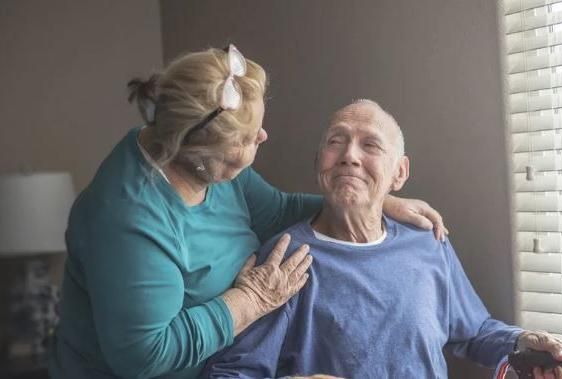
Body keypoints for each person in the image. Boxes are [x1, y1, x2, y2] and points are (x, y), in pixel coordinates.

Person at [48, 46, 447, 379]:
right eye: (246, 137)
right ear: (197, 151)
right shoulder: (126, 219)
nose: (263, 136)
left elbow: (279, 210)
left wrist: (374, 201)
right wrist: (250, 301)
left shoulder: (211, 167)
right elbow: (145, 354)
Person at [207, 100, 562, 379]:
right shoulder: (284, 260)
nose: (349, 156)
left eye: (370, 145)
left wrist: (524, 342)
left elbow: (474, 330)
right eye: (335, 142)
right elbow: (230, 373)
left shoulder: (429, 244)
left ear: (399, 174)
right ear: (318, 163)